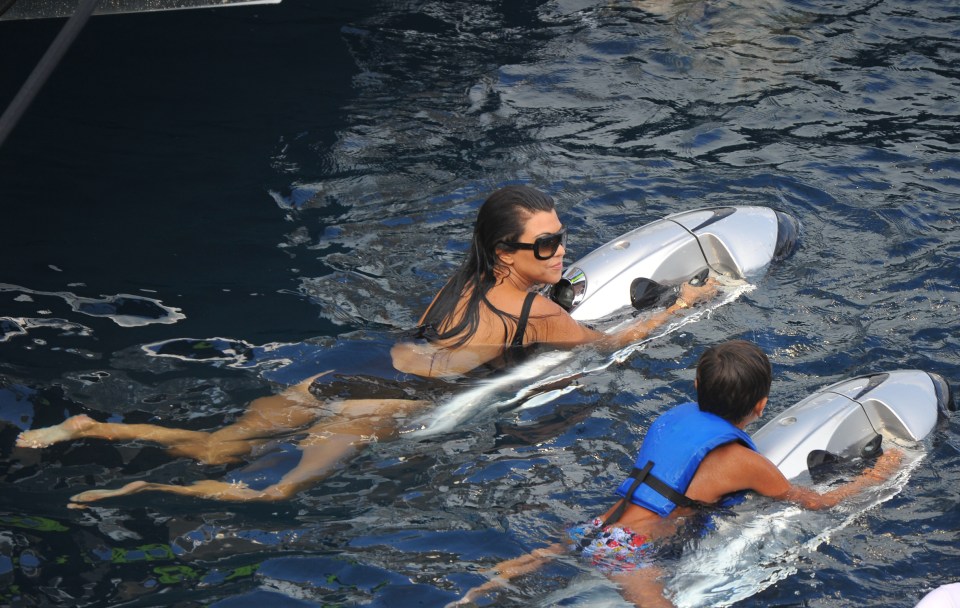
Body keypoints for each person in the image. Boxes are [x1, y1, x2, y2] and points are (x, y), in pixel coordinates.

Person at [14, 185, 716, 505]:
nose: (562, 251)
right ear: (509, 253)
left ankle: (92, 427)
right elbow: (612, 339)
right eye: (548, 243)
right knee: (273, 491)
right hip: (392, 403)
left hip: (348, 372)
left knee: (216, 443)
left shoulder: (457, 282)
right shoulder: (536, 315)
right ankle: (143, 485)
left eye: (562, 237)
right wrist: (685, 303)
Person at [445, 340, 904, 608]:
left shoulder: (672, 420)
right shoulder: (746, 463)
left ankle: (470, 596)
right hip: (631, 553)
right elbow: (816, 501)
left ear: (698, 387)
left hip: (597, 528)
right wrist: (880, 474)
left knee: (533, 564)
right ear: (761, 406)